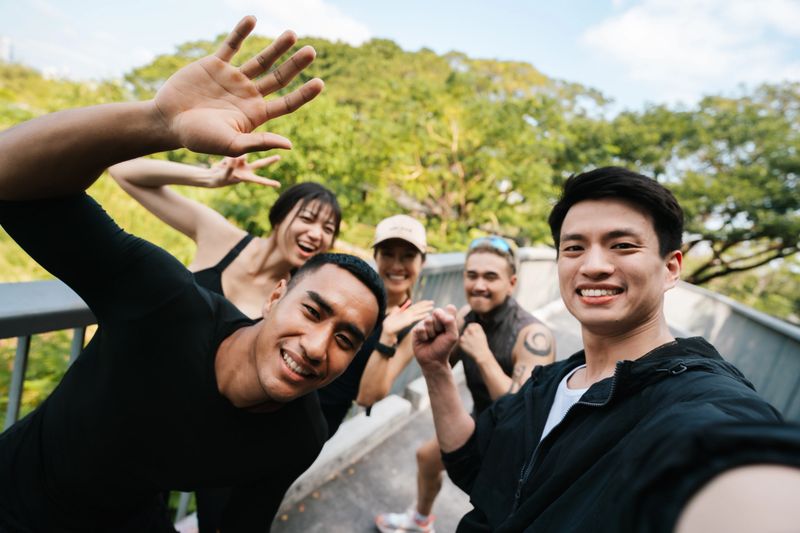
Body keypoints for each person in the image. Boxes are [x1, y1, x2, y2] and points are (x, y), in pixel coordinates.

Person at [0, 17, 387, 532]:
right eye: (313, 312)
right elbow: (11, 181)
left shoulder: (299, 436)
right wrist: (158, 122)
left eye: (345, 340)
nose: (317, 347)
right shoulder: (163, 300)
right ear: (276, 297)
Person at [411, 167, 800, 532]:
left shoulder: (694, 399)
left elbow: (732, 460)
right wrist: (437, 369)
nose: (593, 265)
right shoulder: (550, 383)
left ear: (671, 268)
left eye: (622, 245)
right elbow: (474, 464)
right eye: (574, 248)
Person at [376, 236, 556, 533]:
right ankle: (420, 520)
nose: (479, 285)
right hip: (482, 421)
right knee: (427, 458)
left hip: (518, 445)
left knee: (490, 512)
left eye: (490, 277)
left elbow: (525, 412)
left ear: (511, 283)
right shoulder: (465, 317)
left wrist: (483, 355)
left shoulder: (533, 336)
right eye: (472, 275)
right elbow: (440, 363)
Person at [109, 156, 341, 320]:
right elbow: (122, 171)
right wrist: (209, 177)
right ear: (280, 216)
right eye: (307, 218)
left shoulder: (292, 299)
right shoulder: (222, 238)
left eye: (328, 229)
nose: (316, 234)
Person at [317, 214, 433, 436]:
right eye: (388, 254)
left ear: (422, 262)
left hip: (322, 416)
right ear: (376, 256)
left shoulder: (413, 327)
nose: (397, 265)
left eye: (408, 256)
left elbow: (366, 397)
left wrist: (387, 336)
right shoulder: (350, 291)